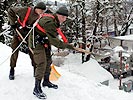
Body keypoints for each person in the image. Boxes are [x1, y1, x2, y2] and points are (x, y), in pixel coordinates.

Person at [28, 6, 78, 99]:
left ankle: (46, 81)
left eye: (66, 17)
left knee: (48, 61)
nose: (64, 19)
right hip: (36, 42)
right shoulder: (50, 22)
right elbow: (55, 41)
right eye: (62, 17)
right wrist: (69, 46)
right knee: (42, 63)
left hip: (44, 40)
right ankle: (36, 88)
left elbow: (52, 37)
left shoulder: (54, 20)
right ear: (57, 15)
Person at [7, 2, 46, 80]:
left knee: (33, 51)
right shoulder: (25, 10)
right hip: (19, 32)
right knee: (15, 50)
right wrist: (12, 23)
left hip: (29, 35)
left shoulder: (41, 17)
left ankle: (35, 69)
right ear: (36, 8)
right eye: (41, 10)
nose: (42, 12)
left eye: (43, 11)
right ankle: (12, 69)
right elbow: (11, 10)